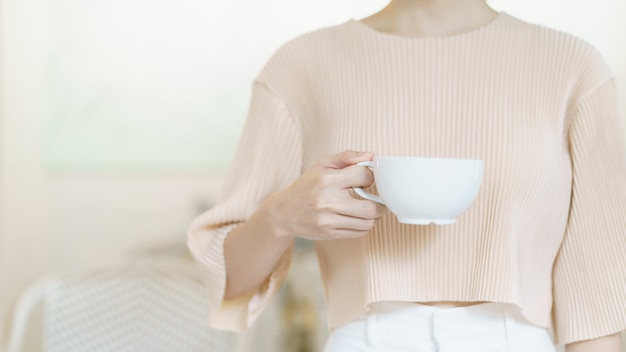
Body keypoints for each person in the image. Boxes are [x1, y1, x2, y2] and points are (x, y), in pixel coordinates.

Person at [187, 0, 626, 350]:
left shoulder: (573, 68)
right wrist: (280, 216)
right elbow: (230, 282)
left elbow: (594, 302)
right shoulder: (300, 66)